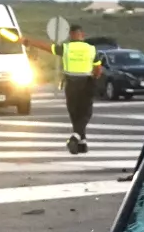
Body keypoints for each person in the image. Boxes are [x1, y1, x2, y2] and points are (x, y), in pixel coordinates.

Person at [38, 25, 102, 153]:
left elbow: (46, 47)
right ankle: (76, 137)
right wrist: (95, 78)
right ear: (82, 35)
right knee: (85, 113)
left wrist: (28, 41)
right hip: (86, 82)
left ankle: (82, 143)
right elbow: (98, 69)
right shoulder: (91, 49)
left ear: (71, 35)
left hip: (71, 83)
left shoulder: (66, 48)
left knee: (74, 112)